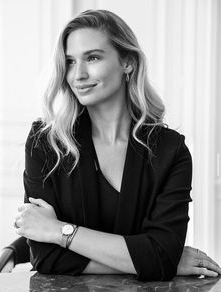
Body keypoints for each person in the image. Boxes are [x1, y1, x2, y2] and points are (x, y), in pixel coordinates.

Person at [14, 9, 221, 281]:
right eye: (70, 62)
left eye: (92, 57)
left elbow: (162, 255)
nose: (79, 74)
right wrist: (153, 261)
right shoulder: (46, 143)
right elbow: (46, 258)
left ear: (128, 62)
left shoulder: (170, 151)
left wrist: (59, 231)